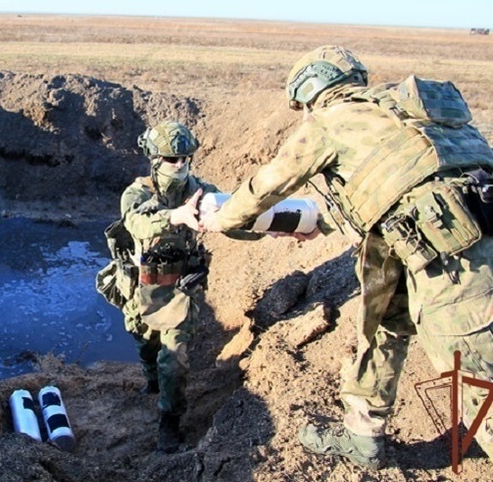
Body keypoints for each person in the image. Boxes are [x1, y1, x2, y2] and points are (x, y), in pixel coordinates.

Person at [201, 45, 493, 469]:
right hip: (436, 241)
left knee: (474, 377)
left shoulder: (329, 121)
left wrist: (223, 221)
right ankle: (363, 436)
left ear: (310, 91)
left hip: (457, 264)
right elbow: (398, 186)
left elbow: (265, 187)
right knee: (383, 328)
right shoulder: (405, 111)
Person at [118, 121, 253, 453]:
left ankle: (169, 420)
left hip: (181, 289)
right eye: (170, 159)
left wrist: (265, 228)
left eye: (184, 158)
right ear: (154, 158)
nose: (179, 165)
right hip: (146, 286)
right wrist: (175, 216)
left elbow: (230, 220)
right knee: (144, 339)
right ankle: (151, 380)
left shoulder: (203, 191)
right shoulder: (138, 193)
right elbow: (135, 222)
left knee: (174, 357)